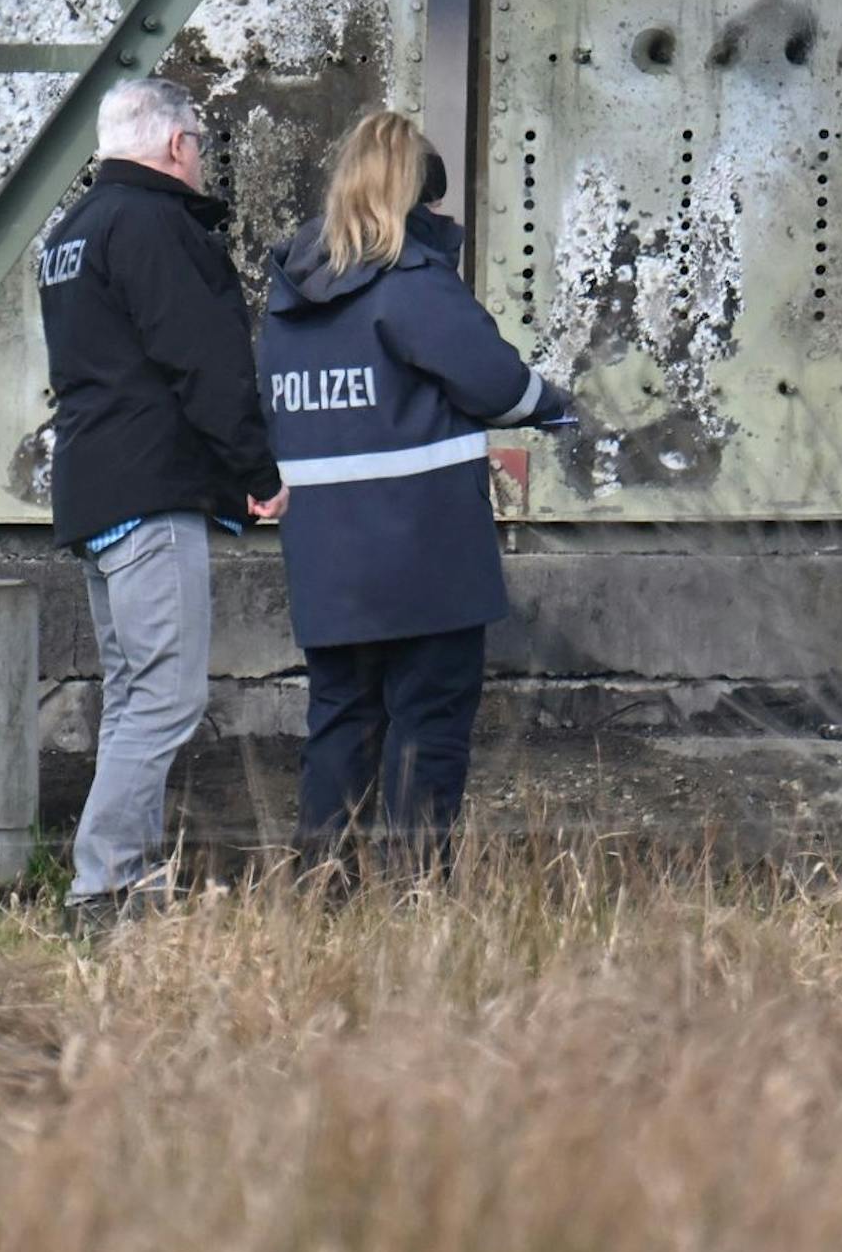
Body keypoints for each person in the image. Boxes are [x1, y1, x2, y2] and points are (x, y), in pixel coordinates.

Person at [256, 110, 573, 869]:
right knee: (427, 726)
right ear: (418, 196)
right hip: (426, 558)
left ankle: (319, 889)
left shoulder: (289, 299)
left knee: (340, 722)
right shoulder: (412, 284)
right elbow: (495, 381)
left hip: (328, 563)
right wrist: (560, 406)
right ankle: (411, 897)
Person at [38, 78, 288, 933]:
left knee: (134, 692)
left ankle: (122, 886)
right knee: (165, 697)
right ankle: (106, 890)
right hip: (149, 492)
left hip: (96, 489)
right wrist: (257, 470)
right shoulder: (152, 226)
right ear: (177, 144)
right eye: (202, 146)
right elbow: (205, 359)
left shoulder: (70, 232)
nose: (203, 163)